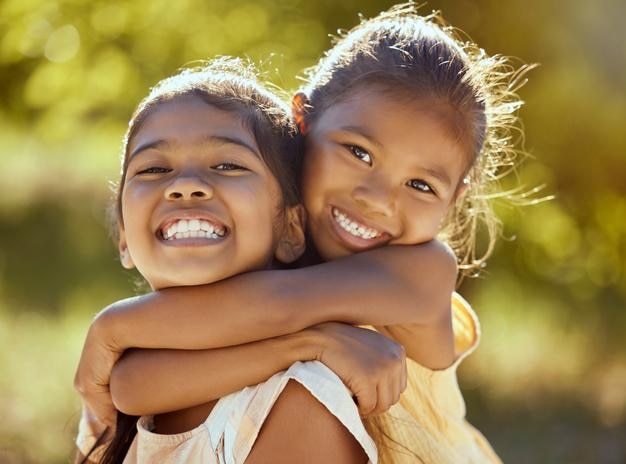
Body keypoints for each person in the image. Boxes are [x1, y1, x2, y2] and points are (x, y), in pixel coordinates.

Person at [76, 3, 529, 462]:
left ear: (453, 200)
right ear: (302, 121)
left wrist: (111, 329)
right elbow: (133, 385)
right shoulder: (272, 246)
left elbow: (272, 305)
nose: (377, 198)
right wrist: (308, 344)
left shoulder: (420, 272)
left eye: (420, 185)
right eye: (359, 152)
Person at [75, 57, 402, 464]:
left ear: (291, 229)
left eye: (227, 165)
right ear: (124, 236)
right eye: (154, 168)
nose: (187, 186)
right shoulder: (109, 401)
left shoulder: (297, 402)